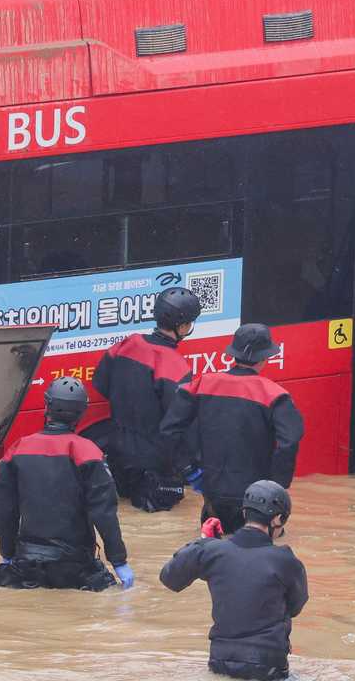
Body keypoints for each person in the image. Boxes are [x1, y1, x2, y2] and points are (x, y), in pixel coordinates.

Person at [0, 377, 132, 592]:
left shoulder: (18, 449)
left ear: (47, 407)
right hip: (75, 567)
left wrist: (8, 554)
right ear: (82, 412)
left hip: (27, 565)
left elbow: (5, 511)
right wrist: (119, 561)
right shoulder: (88, 452)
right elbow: (104, 513)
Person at [162, 323, 303, 536]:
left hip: (212, 498)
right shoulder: (275, 395)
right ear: (265, 358)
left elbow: (169, 431)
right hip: (257, 504)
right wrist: (276, 489)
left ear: (233, 354)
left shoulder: (202, 384)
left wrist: (190, 471)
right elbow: (289, 443)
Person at [160, 480, 308, 681]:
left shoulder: (212, 551)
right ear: (278, 519)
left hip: (220, 662)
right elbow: (295, 606)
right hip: (267, 666)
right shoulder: (285, 560)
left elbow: (169, 578)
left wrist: (203, 542)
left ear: (245, 512)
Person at [93, 286, 202, 512]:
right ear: (182, 326)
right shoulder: (174, 364)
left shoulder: (127, 343)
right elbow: (178, 423)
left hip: (117, 458)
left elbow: (99, 383)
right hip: (153, 467)